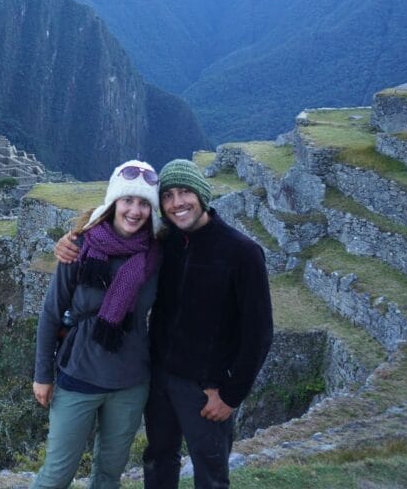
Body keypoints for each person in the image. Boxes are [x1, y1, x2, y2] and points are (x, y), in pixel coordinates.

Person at [54, 159, 273, 488]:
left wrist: (230, 395)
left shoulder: (242, 253)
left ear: (202, 194)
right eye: (168, 196)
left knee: (210, 471)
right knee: (158, 459)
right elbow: (110, 232)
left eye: (185, 193)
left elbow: (259, 333)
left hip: (206, 386)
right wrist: (68, 241)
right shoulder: (165, 243)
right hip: (158, 378)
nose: (177, 203)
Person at [32, 159, 163, 489]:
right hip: (78, 376)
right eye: (128, 200)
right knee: (56, 475)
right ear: (113, 202)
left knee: (108, 476)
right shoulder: (79, 247)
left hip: (130, 383)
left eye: (144, 203)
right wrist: (42, 375)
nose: (135, 211)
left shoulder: (158, 255)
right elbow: (51, 312)